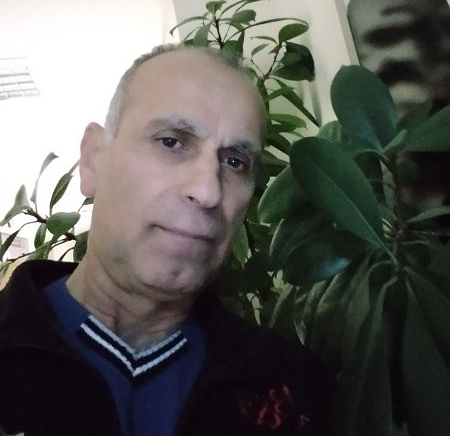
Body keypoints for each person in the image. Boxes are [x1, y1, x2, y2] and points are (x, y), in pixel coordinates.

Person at [0, 44, 332, 436]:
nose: (208, 191)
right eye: (171, 142)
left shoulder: (295, 386)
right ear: (93, 160)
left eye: (235, 162)